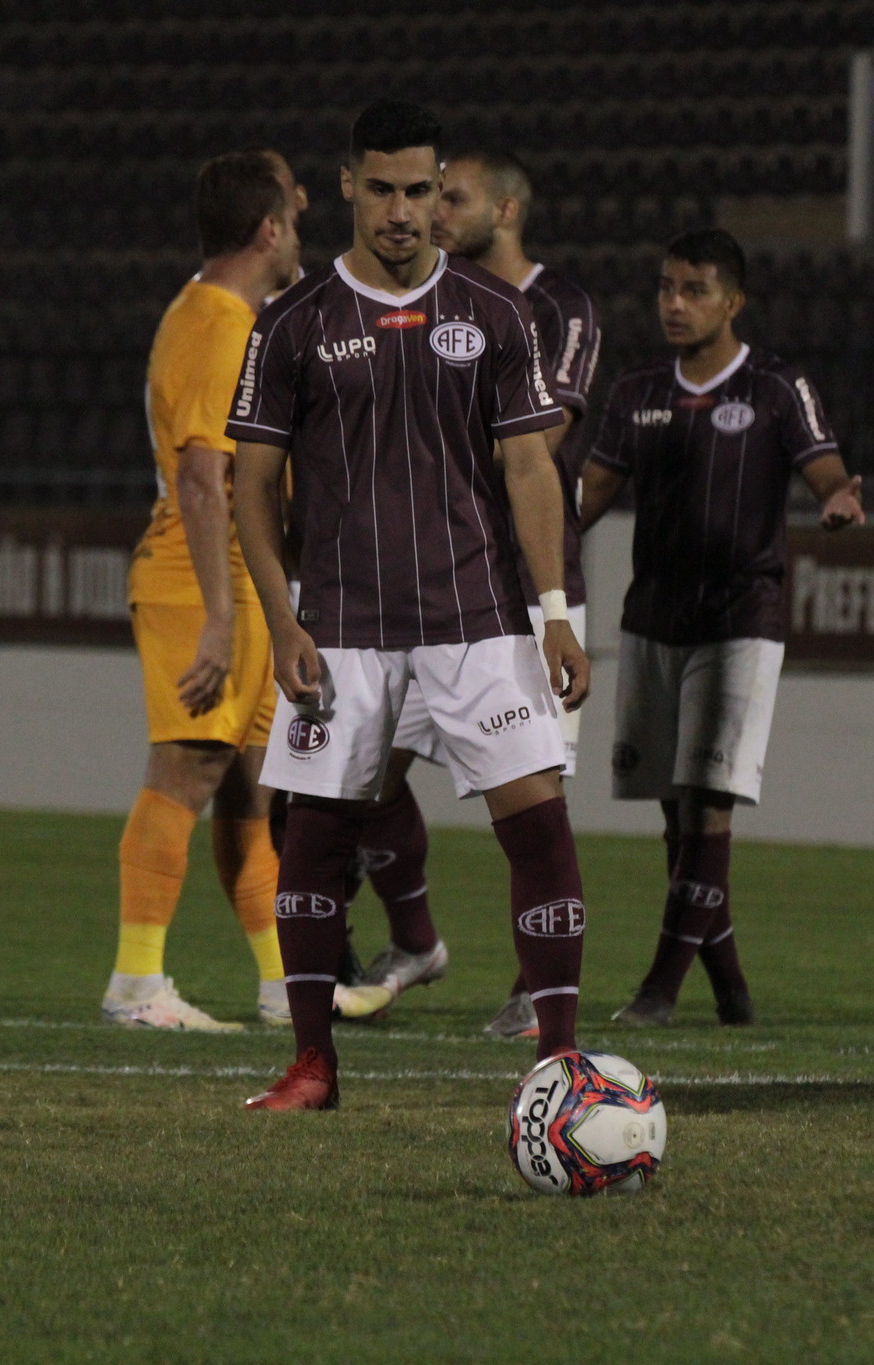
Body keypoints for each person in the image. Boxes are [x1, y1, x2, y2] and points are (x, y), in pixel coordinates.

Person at [229, 100, 593, 1110]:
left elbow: (528, 467)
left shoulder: (493, 312)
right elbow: (249, 486)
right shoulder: (291, 322)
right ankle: (311, 1064)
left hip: (478, 624)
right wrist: (280, 619)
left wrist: (553, 610)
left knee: (541, 828)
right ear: (346, 184)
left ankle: (555, 1062)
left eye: (419, 191)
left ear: (441, 193)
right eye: (381, 189)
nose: (400, 211)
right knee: (309, 841)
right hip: (341, 631)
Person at [105, 148, 387, 1030]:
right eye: (293, 221)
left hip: (239, 580)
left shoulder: (233, 319)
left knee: (253, 789)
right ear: (268, 231)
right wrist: (222, 619)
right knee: (187, 770)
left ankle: (286, 985)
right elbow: (200, 475)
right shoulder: (215, 325)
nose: (299, 235)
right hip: (199, 579)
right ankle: (136, 982)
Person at [343, 149, 605, 1041]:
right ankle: (414, 941)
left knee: (527, 800)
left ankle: (543, 989)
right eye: (424, 193)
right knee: (369, 773)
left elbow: (534, 439)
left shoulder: (555, 307)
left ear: (506, 208)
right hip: (418, 586)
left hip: (520, 584)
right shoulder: (419, 301)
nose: (432, 210)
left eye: (450, 196)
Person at [576, 228, 865, 1027]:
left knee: (709, 801)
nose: (674, 303)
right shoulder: (637, 391)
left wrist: (837, 498)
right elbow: (587, 497)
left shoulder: (776, 386)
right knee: (675, 811)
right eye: (666, 287)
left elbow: (825, 465)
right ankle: (732, 990)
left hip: (742, 615)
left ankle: (658, 991)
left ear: (733, 302)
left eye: (694, 289)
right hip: (652, 616)